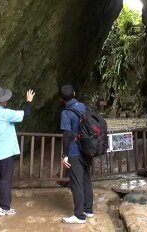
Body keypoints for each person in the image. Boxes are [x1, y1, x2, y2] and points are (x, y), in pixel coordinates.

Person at [0, 86, 35, 216]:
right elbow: (25, 113)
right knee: (5, 179)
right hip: (4, 152)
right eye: (5, 100)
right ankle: (4, 207)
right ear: (2, 101)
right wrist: (28, 101)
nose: (7, 102)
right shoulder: (5, 113)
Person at [59, 84, 94, 224]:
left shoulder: (65, 112)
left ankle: (79, 215)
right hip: (86, 149)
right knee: (86, 179)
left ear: (61, 99)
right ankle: (88, 209)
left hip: (74, 150)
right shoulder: (84, 107)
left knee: (76, 182)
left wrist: (64, 155)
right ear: (74, 92)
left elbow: (67, 134)